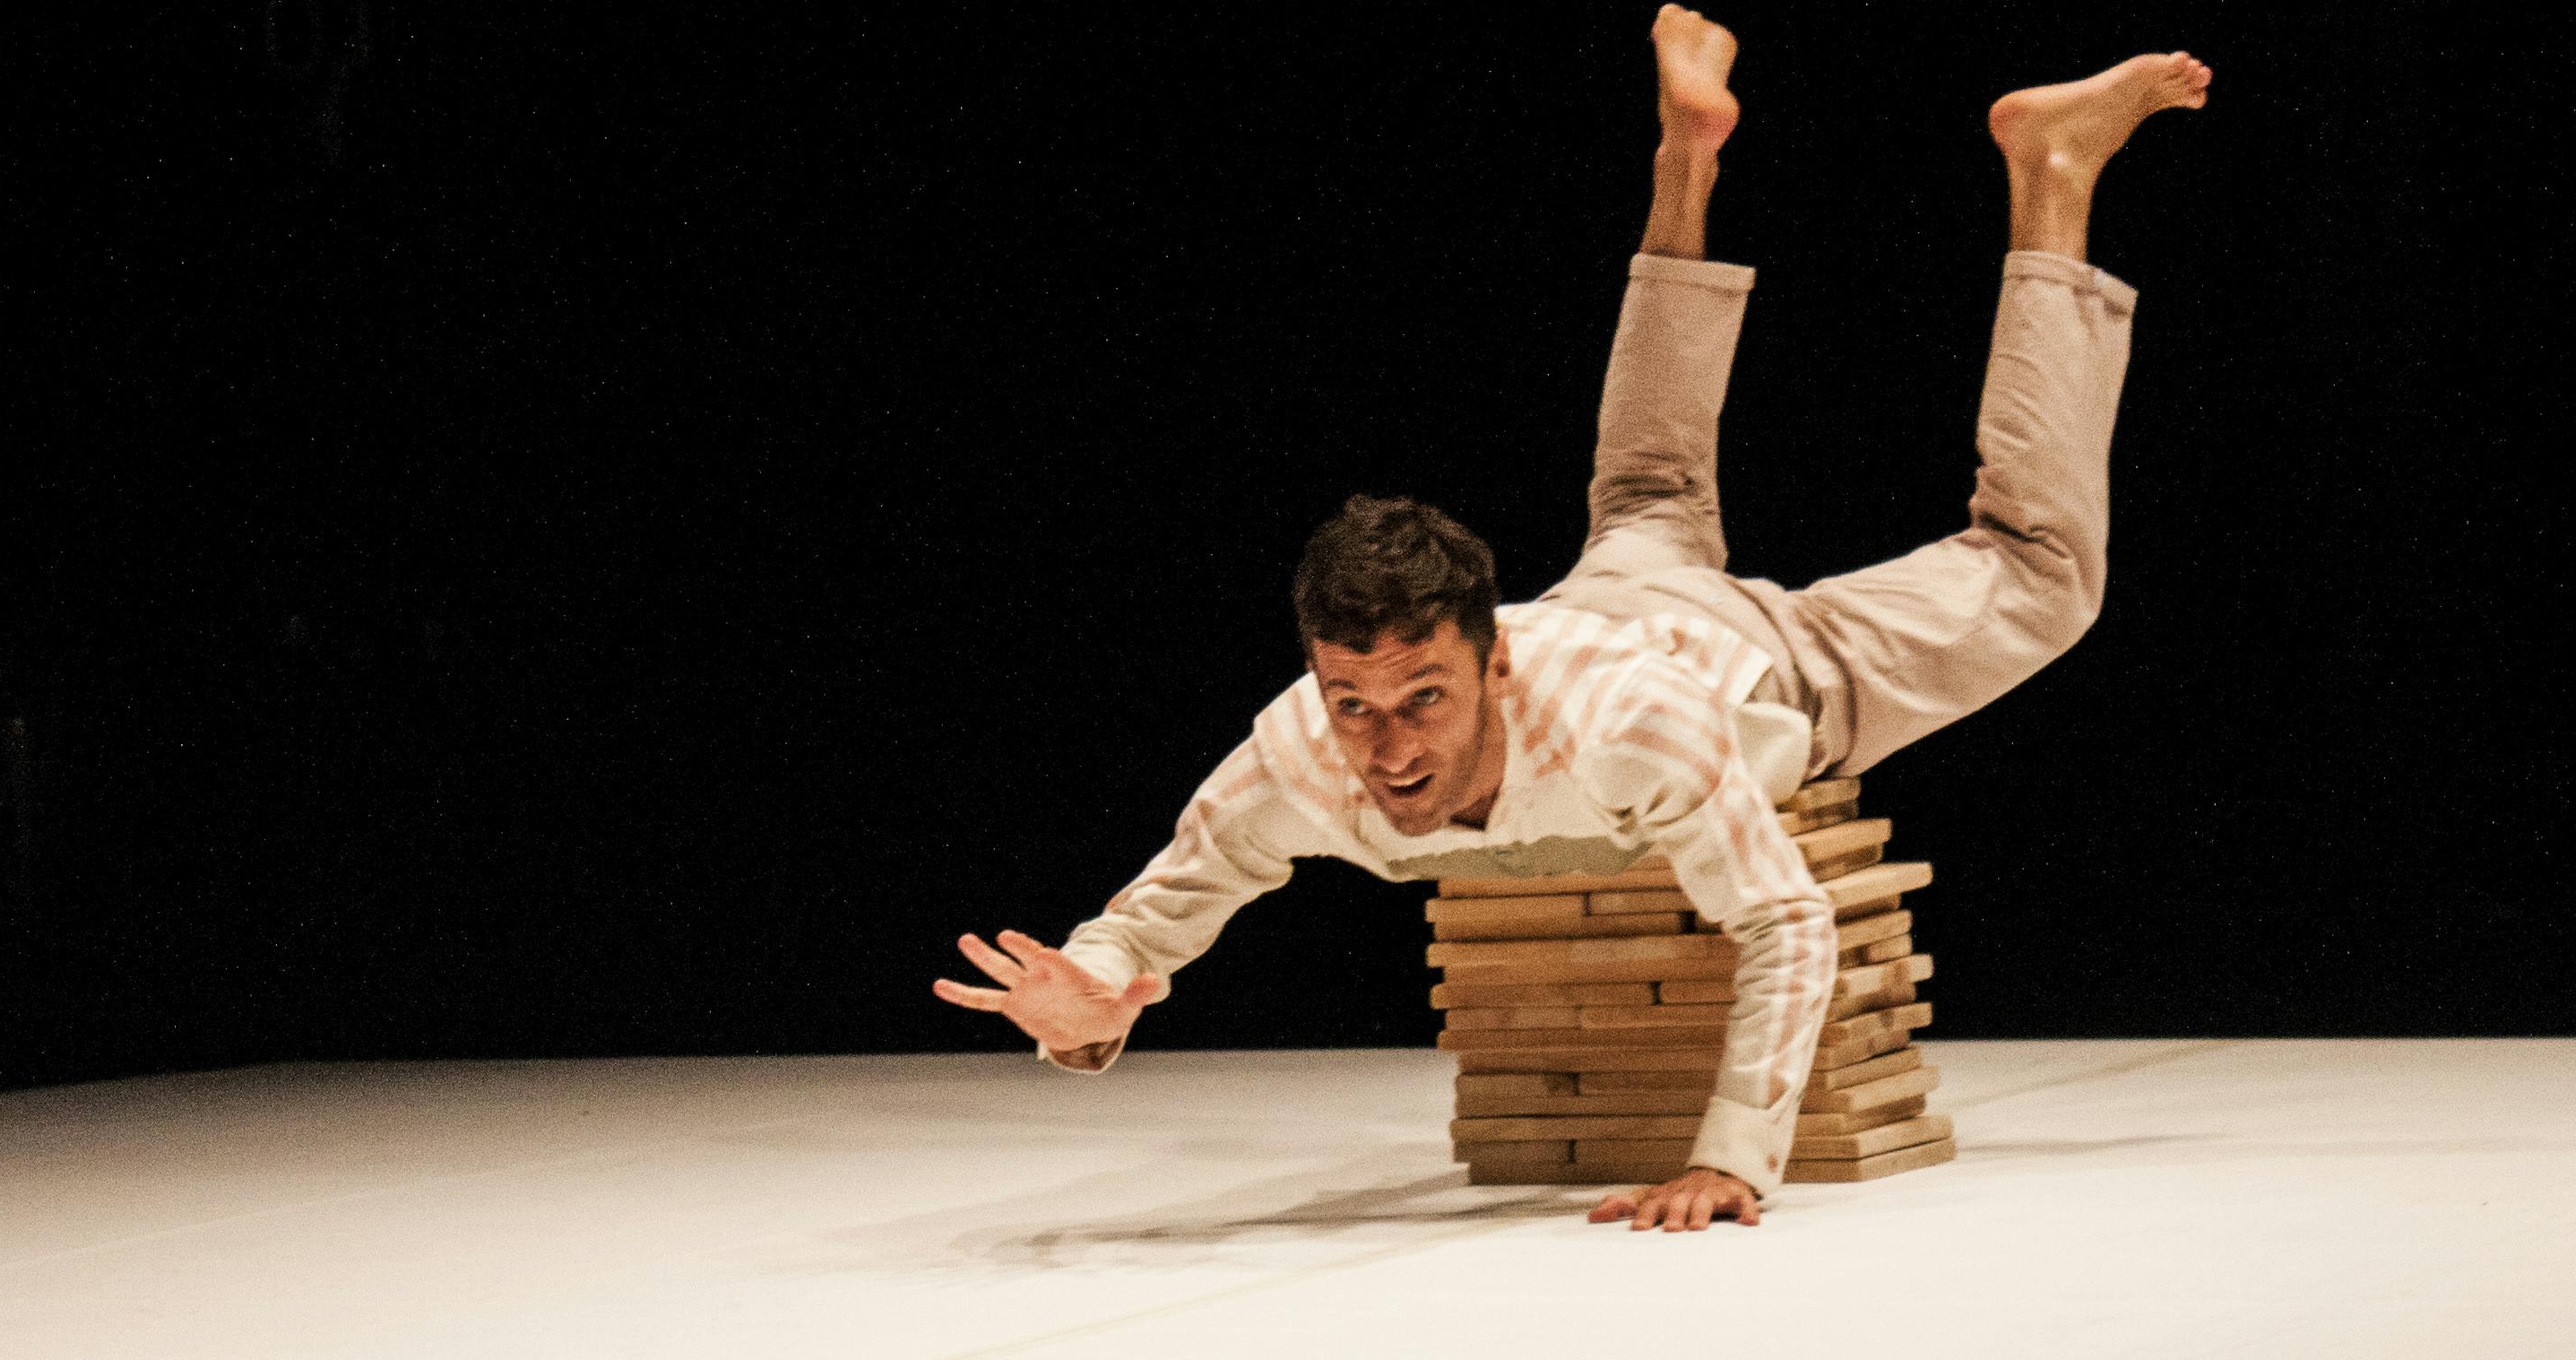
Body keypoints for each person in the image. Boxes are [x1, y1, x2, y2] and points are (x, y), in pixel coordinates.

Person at [935, 7, 2210, 1234]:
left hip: (1759, 665)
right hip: (1617, 598)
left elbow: (1780, 920)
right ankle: (1685, 158)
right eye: (1356, 706)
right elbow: (1145, 928)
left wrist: (1727, 1160)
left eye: (1424, 700)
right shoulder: (1297, 751)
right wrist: (1085, 1010)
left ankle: (2051, 170)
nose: (1386, 752)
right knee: (1646, 495)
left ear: (1493, 666)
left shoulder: (1631, 734)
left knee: (2042, 574)